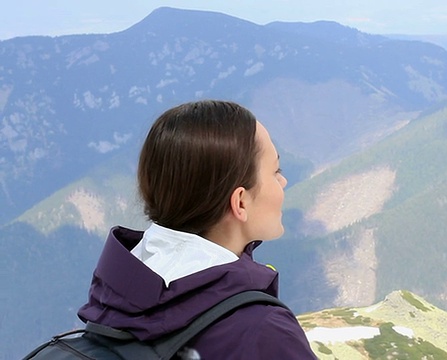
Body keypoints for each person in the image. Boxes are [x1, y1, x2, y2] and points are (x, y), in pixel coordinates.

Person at [77, 100, 317, 359]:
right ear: (240, 202)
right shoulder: (263, 332)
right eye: (275, 171)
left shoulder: (113, 300)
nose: (284, 181)